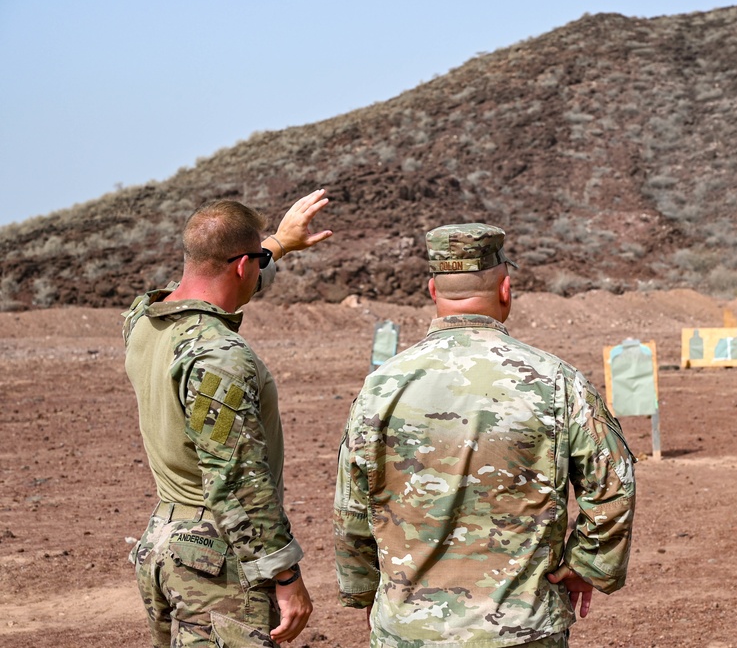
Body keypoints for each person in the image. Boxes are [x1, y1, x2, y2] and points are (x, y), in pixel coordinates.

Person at [333, 223, 636, 647]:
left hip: (412, 628)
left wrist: (365, 589)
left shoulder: (381, 386)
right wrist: (588, 564)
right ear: (506, 289)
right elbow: (613, 484)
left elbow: (352, 504)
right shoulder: (556, 380)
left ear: (431, 290)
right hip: (523, 628)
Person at [123, 189, 333, 647]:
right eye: (256, 261)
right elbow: (237, 478)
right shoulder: (219, 355)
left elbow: (213, 285)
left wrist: (277, 244)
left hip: (165, 541)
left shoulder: (143, 320)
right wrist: (284, 574)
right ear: (243, 265)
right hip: (215, 559)